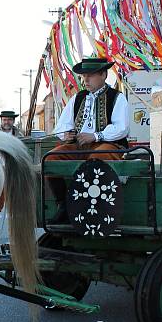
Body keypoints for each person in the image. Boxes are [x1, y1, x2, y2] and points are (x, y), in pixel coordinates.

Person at [47, 57, 130, 222]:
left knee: (96, 159)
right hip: (79, 147)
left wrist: (96, 135)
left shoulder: (117, 97)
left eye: (90, 75)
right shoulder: (77, 98)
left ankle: (89, 207)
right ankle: (63, 205)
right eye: (83, 75)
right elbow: (62, 126)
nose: (85, 79)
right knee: (50, 158)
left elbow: (122, 128)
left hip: (109, 145)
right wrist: (67, 134)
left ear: (103, 75)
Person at [0, 110, 22, 241]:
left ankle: (14, 231)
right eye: (5, 120)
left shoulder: (19, 134)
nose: (7, 122)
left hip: (13, 170)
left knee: (13, 201)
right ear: (1, 121)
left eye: (9, 120)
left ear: (13, 121)